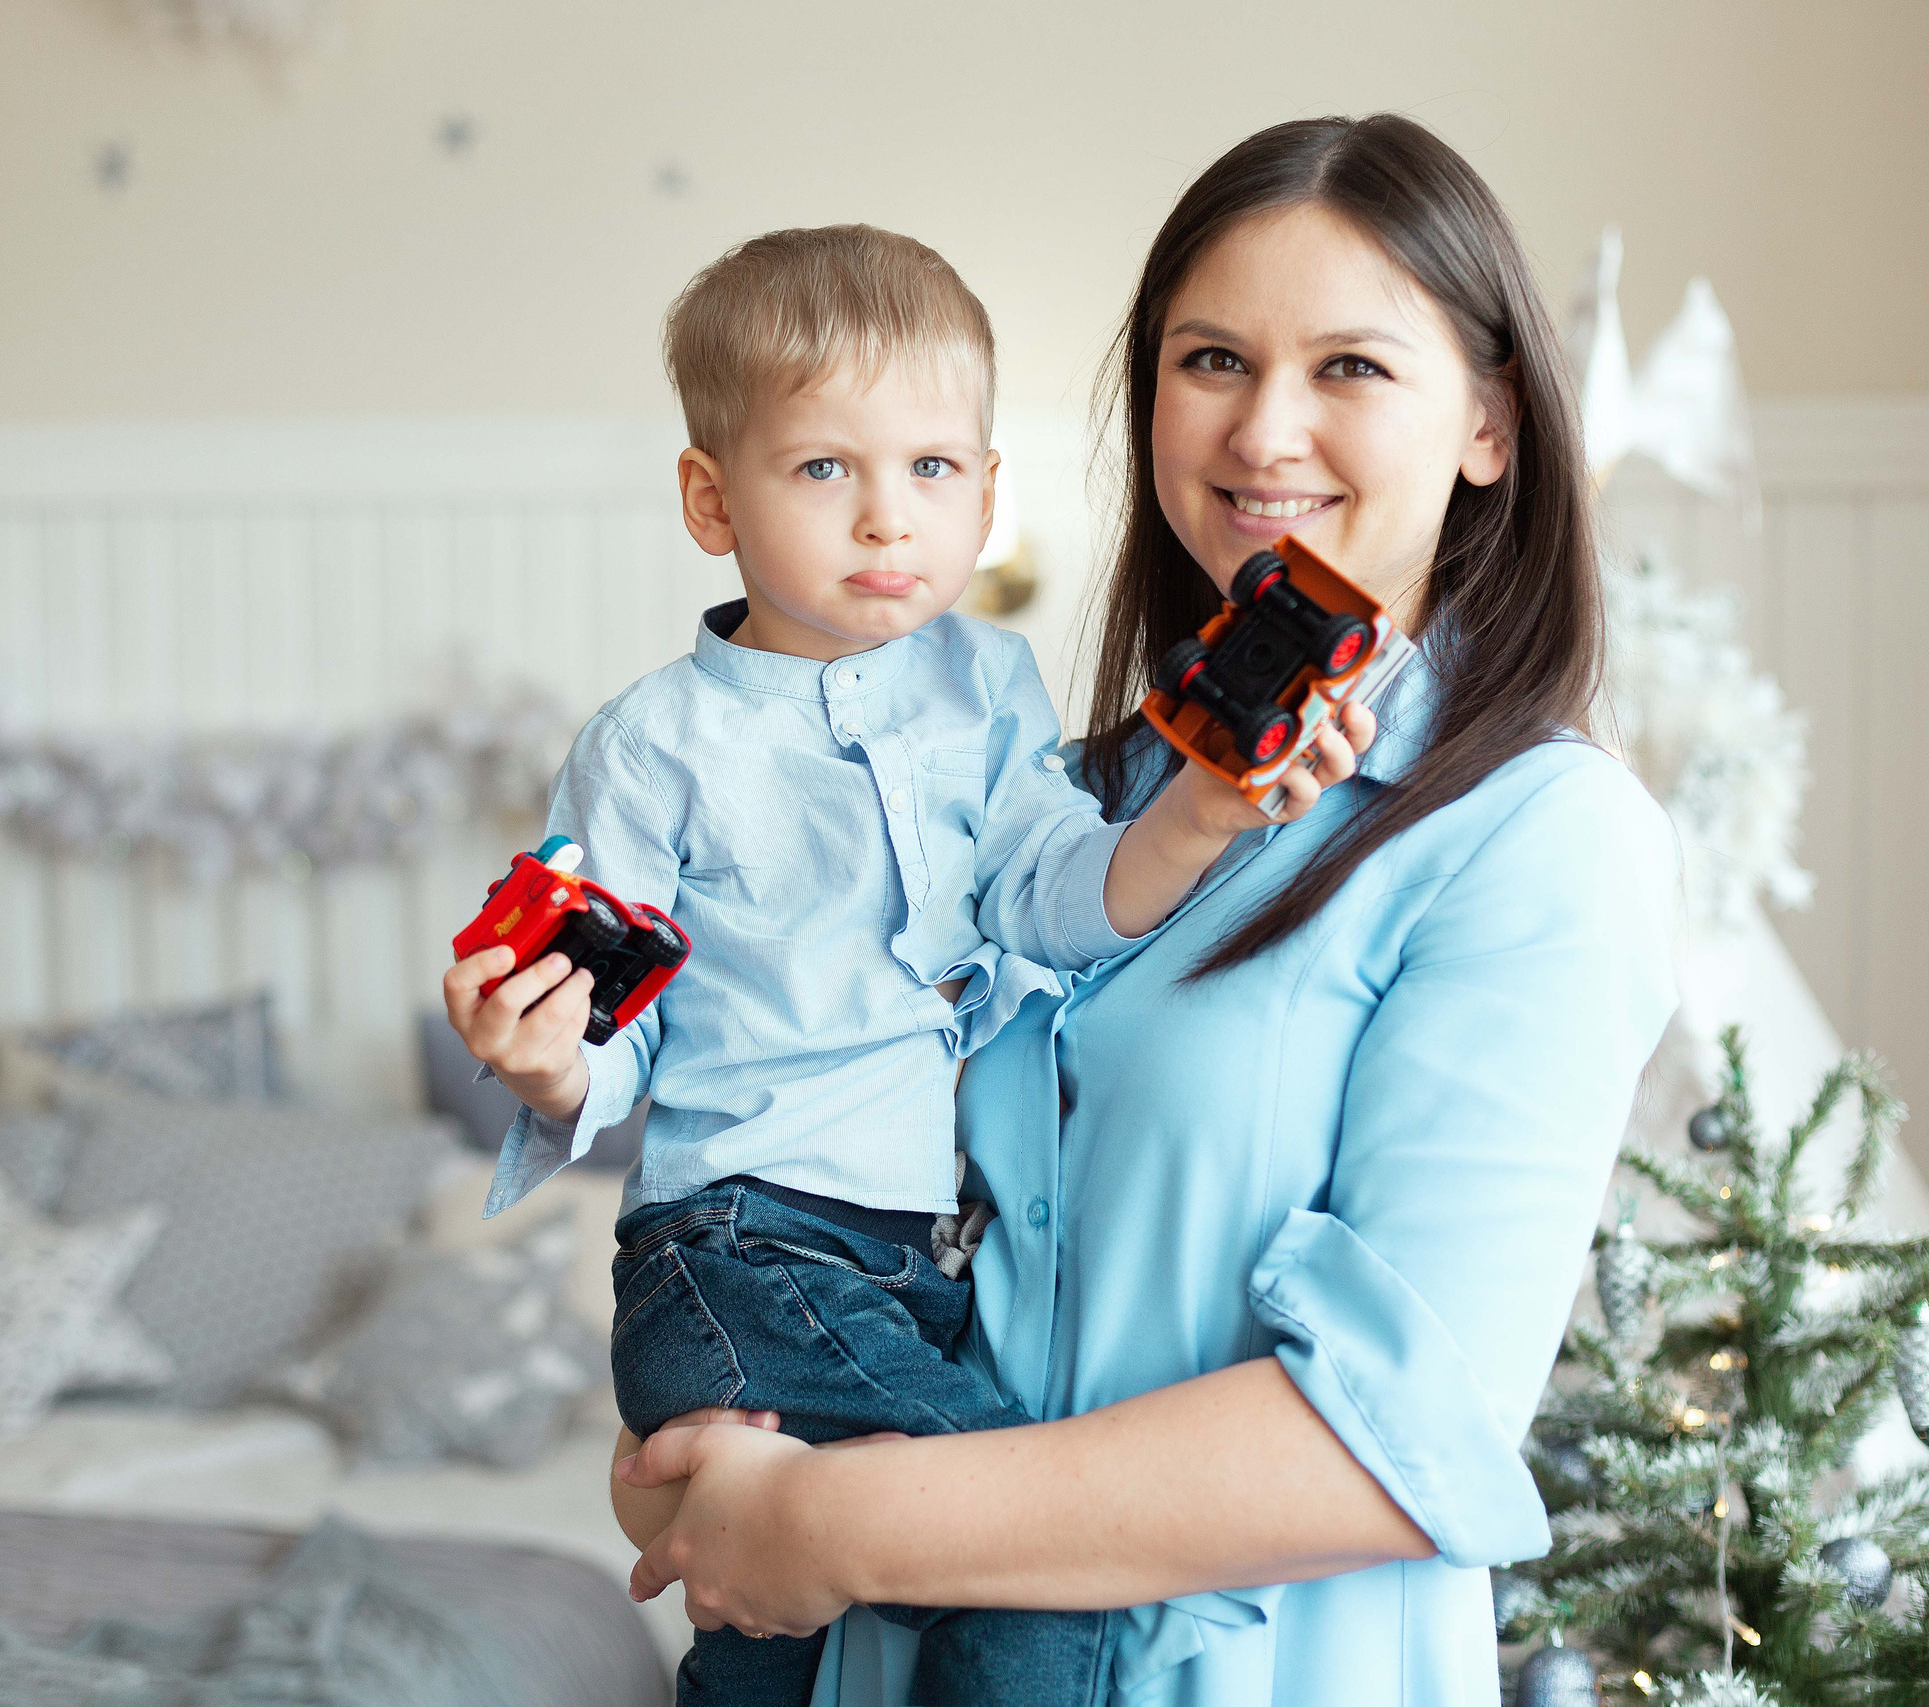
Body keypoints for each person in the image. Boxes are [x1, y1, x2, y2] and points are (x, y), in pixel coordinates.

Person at [609, 116, 1683, 1705]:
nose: (1265, 431)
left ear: (1490, 425)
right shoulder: (1074, 805)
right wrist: (706, 1450)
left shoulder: (1538, 839)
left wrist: (830, 1517)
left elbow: (1389, 1443)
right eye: (1212, 360)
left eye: (1352, 369)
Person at [441, 224, 1372, 1707]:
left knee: (763, 1650)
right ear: (710, 496)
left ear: (989, 493)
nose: (889, 522)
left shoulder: (990, 691)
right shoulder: (655, 746)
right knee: (1018, 1567)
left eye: (934, 471)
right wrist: (552, 1057)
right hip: (737, 1248)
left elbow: (1061, 901)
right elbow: (613, 1029)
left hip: (908, 1271)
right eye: (826, 471)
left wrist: (1202, 809)